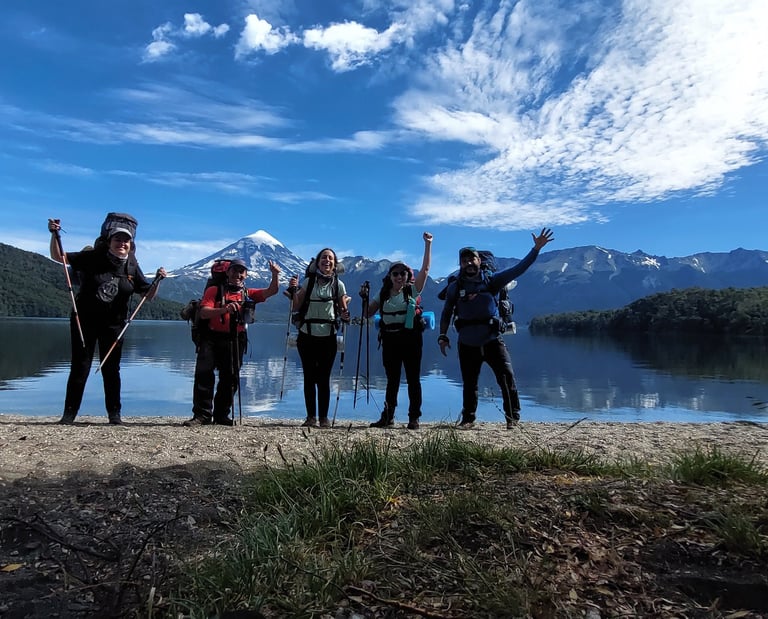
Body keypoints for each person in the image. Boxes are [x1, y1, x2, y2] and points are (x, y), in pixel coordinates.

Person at [47, 217, 166, 425]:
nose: (122, 244)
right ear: (109, 241)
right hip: (84, 321)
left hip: (114, 325)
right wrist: (54, 234)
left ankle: (114, 415)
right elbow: (60, 257)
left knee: (111, 370)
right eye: (117, 240)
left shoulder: (131, 265)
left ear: (131, 244)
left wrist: (157, 280)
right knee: (80, 367)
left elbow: (147, 295)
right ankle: (68, 415)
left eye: (126, 241)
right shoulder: (93, 257)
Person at [438, 228, 554, 429]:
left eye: (472, 259)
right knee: (469, 383)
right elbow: (447, 312)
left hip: (492, 340)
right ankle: (468, 420)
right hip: (466, 343)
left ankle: (512, 418)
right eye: (464, 261)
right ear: (460, 264)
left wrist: (536, 249)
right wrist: (442, 335)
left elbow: (519, 269)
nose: (468, 263)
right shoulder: (454, 288)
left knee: (506, 378)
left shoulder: (492, 281)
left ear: (479, 261)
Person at [186, 259, 280, 426]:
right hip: (211, 338)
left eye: (241, 272)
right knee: (204, 376)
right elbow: (204, 313)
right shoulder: (214, 290)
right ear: (228, 272)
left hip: (235, 339)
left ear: (245, 275)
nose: (238, 274)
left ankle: (222, 415)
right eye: (235, 271)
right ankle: (202, 415)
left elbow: (272, 291)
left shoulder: (248, 293)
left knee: (230, 378)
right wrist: (225, 309)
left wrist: (275, 274)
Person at [363, 232, 433, 430]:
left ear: (407, 276)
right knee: (392, 380)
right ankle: (388, 417)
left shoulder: (413, 290)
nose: (400, 277)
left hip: (411, 339)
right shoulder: (383, 292)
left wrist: (428, 245)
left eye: (403, 273)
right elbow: (369, 312)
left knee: (413, 379)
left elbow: (426, 269)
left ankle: (414, 418)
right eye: (396, 273)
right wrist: (365, 298)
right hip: (390, 340)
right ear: (390, 276)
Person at [288, 248, 350, 428]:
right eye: (324, 258)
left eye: (330, 258)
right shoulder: (309, 282)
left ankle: (323, 418)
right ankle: (311, 417)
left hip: (328, 337)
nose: (327, 261)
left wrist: (346, 314)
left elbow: (342, 307)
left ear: (335, 264)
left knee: (323, 378)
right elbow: (295, 306)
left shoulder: (339, 285)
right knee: (309, 376)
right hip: (306, 335)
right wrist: (293, 290)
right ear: (318, 262)